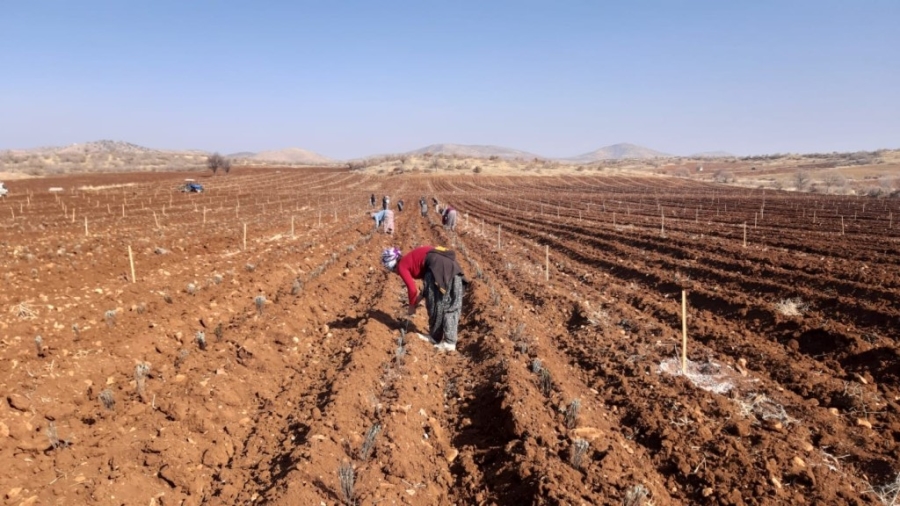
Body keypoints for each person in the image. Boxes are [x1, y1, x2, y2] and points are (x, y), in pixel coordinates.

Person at [382, 246, 466, 352]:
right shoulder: (412, 258)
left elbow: (412, 289)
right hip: (454, 269)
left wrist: (412, 306)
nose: (396, 273)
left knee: (435, 305)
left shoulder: (402, 265)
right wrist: (420, 297)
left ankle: (435, 337)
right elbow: (426, 283)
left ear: (392, 264)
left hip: (438, 270)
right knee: (453, 305)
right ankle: (450, 343)